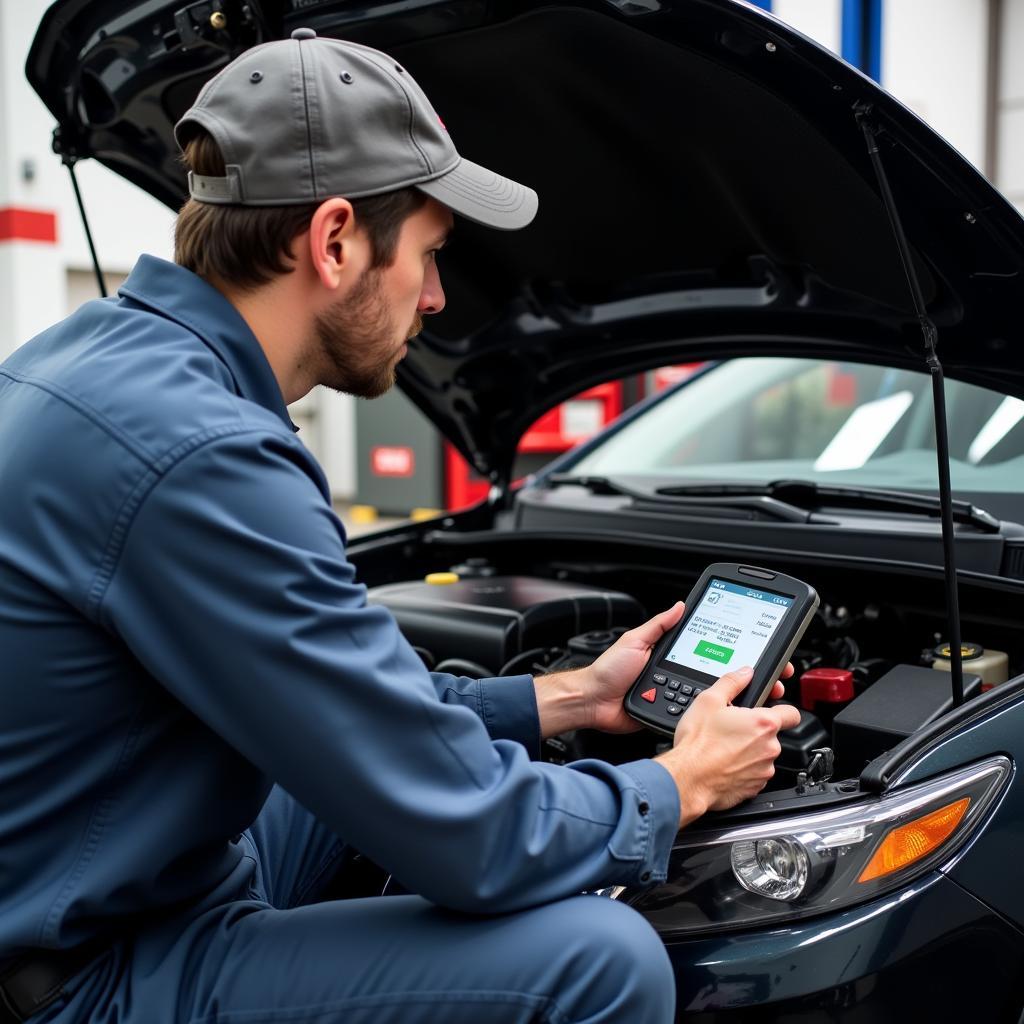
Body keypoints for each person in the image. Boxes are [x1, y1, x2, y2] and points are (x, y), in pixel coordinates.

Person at [0, 31, 801, 1024]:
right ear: (334, 241)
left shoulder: (97, 362)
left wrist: (564, 697)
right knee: (597, 960)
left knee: (334, 784)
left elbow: (346, 700)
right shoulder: (202, 455)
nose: (433, 298)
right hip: (83, 978)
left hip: (104, 872)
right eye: (427, 255)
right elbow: (473, 837)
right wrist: (672, 784)